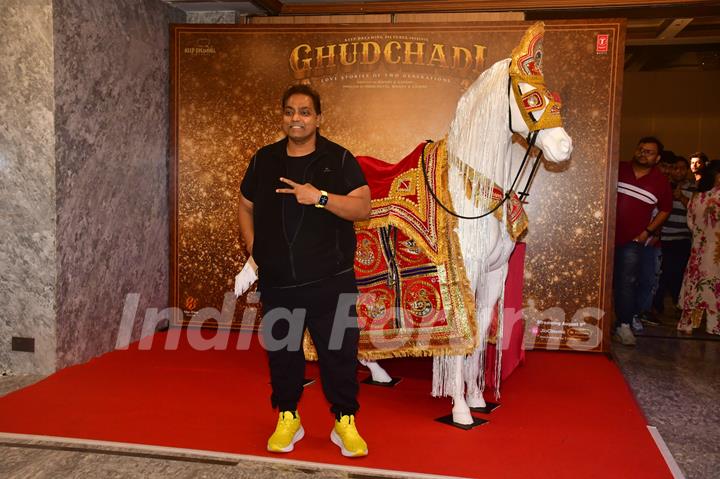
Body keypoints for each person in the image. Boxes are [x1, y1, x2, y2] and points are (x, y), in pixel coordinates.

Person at [238, 84, 372, 456]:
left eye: (304, 112)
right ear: (282, 116)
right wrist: (254, 249)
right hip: (279, 282)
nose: (296, 118)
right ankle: (288, 417)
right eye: (289, 111)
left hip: (331, 282)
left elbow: (363, 208)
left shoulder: (339, 159)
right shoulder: (263, 160)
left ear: (318, 118)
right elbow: (245, 204)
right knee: (283, 355)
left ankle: (344, 420)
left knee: (339, 354)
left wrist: (321, 197)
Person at [613, 136, 672, 345]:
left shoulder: (660, 182)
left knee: (626, 282)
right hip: (604, 235)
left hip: (632, 241)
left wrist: (648, 231)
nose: (642, 153)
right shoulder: (618, 168)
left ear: (657, 158)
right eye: (640, 149)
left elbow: (666, 209)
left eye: (648, 151)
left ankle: (624, 325)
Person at [677, 160, 720, 335]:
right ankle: (713, 326)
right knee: (715, 285)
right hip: (717, 250)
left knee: (695, 284)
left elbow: (691, 223)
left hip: (699, 249)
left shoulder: (697, 197)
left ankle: (689, 323)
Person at [652, 156, 693, 318]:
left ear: (687, 170)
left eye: (683, 168)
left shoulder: (694, 188)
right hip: (663, 238)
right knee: (662, 274)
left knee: (679, 274)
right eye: (675, 168)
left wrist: (681, 197)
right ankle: (657, 306)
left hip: (683, 239)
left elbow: (697, 210)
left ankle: (679, 305)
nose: (679, 171)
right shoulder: (662, 185)